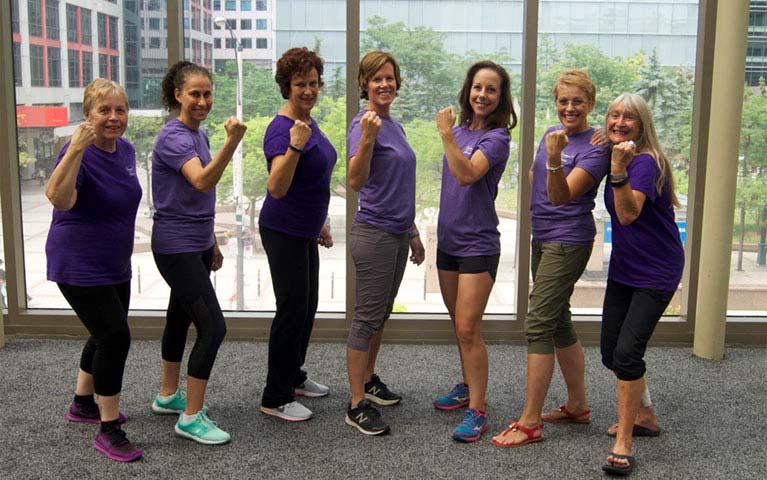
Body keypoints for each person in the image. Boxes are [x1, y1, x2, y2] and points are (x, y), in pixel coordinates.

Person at [492, 69, 609, 448]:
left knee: (538, 324)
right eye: (563, 101)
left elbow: (561, 195)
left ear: (590, 104)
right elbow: (535, 176)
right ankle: (577, 405)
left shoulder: (596, 146)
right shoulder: (549, 135)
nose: (569, 108)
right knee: (558, 321)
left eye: (577, 101)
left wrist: (556, 160)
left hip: (568, 241)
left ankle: (529, 422)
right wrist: (550, 161)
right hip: (542, 237)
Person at [44, 78, 142, 462]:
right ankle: (108, 428)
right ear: (87, 116)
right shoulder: (76, 151)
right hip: (78, 262)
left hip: (113, 261)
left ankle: (83, 402)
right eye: (104, 110)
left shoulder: (127, 150)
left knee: (102, 332)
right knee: (115, 337)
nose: (114, 118)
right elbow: (60, 199)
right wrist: (76, 151)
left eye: (120, 110)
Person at [150, 61, 247, 445]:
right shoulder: (173, 137)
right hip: (175, 247)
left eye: (207, 94)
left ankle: (168, 395)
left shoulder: (197, 135)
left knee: (179, 318)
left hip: (194, 244)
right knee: (213, 327)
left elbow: (198, 197)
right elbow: (203, 179)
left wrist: (212, 242)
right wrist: (233, 142)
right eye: (195, 94)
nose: (202, 101)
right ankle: (190, 417)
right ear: (178, 95)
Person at [599, 93, 684, 476]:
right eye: (614, 115)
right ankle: (646, 414)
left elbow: (629, 215)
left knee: (628, 354)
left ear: (643, 125)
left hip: (656, 270)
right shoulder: (620, 151)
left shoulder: (645, 162)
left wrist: (617, 168)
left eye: (629, 117)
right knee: (610, 352)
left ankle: (625, 442)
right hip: (625, 268)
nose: (619, 122)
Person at [433, 60, 516, 443]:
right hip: (448, 242)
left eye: (491, 90)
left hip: (478, 244)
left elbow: (467, 174)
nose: (482, 95)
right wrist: (454, 134)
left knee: (469, 328)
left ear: (501, 97)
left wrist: (447, 135)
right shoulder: (463, 131)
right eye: (477, 87)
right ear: (469, 90)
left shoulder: (497, 138)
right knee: (458, 324)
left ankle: (478, 410)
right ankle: (466, 385)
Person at [344, 51, 425, 436]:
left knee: (380, 315)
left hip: (396, 233)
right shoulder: (364, 124)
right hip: (373, 234)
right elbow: (355, 181)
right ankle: (356, 402)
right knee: (366, 318)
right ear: (365, 84)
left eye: (390, 77)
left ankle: (369, 378)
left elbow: (400, 187)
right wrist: (368, 138)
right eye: (377, 79)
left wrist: (412, 232)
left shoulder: (395, 125)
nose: (385, 84)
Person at [258, 47, 337, 422]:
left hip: (305, 230)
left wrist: (319, 221)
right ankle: (275, 396)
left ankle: (294, 376)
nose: (308, 90)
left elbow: (312, 180)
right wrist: (294, 145)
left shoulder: (307, 121)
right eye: (300, 84)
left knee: (307, 308)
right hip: (283, 230)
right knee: (291, 311)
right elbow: (277, 186)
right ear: (286, 87)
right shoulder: (283, 128)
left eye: (313, 83)